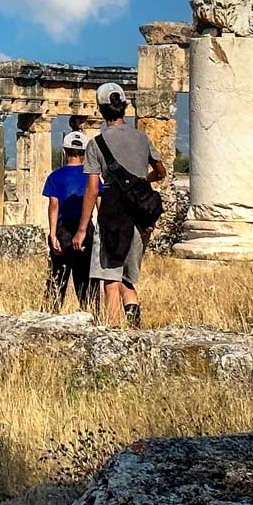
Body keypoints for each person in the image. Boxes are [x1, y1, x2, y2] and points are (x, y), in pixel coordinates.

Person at [72, 83, 167, 327]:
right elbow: (161, 171)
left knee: (110, 278)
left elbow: (93, 189)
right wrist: (140, 182)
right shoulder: (141, 138)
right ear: (124, 106)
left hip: (112, 215)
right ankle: (135, 327)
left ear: (101, 110)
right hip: (140, 217)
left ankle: (114, 332)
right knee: (128, 279)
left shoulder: (97, 144)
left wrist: (82, 229)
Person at [42, 131, 97, 311]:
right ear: (84, 153)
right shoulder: (92, 176)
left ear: (65, 151)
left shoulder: (55, 176)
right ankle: (92, 314)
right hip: (85, 229)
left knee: (57, 278)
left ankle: (52, 314)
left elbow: (53, 205)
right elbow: (99, 203)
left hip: (63, 229)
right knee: (86, 280)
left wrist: (52, 234)